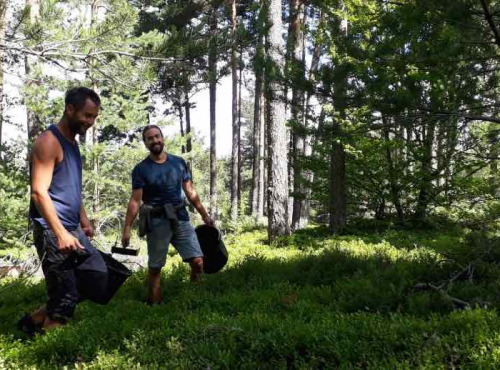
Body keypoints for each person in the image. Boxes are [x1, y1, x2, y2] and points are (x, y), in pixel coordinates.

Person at [18, 87, 109, 335]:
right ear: (70, 109)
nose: (90, 122)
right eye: (87, 116)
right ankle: (51, 349)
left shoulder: (72, 143)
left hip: (71, 227)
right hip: (52, 230)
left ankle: (33, 320)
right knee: (65, 297)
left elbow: (71, 188)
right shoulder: (49, 141)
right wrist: (60, 234)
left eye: (94, 117)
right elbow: (38, 192)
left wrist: (84, 221)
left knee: (97, 277)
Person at [121, 125, 213, 305]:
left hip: (180, 217)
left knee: (197, 261)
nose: (154, 140)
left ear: (162, 138)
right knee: (155, 268)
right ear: (145, 143)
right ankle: (154, 304)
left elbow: (190, 192)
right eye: (150, 138)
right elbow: (135, 201)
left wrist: (204, 215)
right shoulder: (141, 169)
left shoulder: (178, 162)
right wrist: (127, 229)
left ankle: (195, 298)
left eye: (157, 136)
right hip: (156, 221)